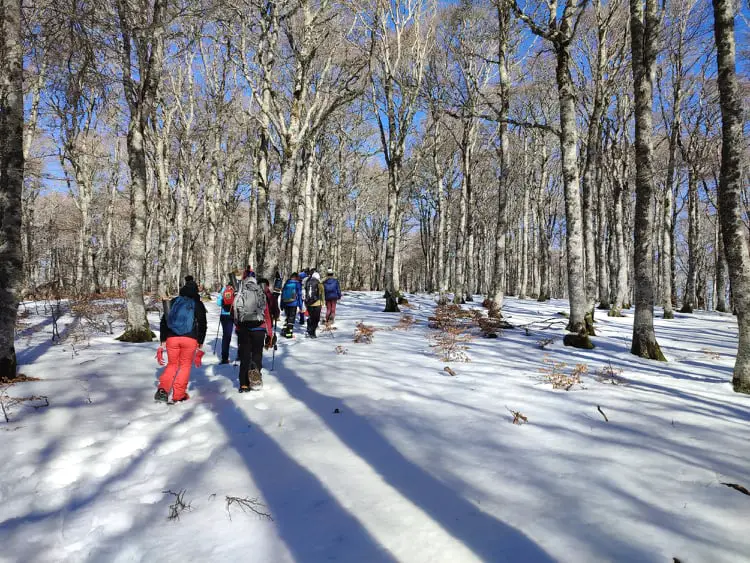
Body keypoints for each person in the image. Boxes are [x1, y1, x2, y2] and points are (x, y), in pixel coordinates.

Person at [155, 276, 207, 402]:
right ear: (196, 292)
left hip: (172, 338)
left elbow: (164, 321)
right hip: (190, 339)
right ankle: (178, 395)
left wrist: (163, 340)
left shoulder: (174, 302)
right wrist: (200, 342)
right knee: (185, 366)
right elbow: (203, 324)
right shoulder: (197, 304)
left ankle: (163, 390)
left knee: (172, 364)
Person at [234, 270, 274, 391]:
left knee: (245, 356)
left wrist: (238, 327)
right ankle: (255, 379)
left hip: (244, 329)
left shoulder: (240, 292)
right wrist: (269, 333)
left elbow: (235, 312)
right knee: (257, 354)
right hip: (259, 329)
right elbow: (266, 314)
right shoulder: (260, 292)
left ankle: (244, 384)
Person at [216, 274, 237, 364]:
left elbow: (218, 302)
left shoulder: (224, 290)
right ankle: (240, 354)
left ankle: (225, 358)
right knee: (240, 334)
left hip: (225, 315)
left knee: (226, 336)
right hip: (235, 314)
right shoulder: (236, 290)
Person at [280, 272, 303, 338]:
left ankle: (284, 330)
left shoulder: (286, 283)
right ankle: (289, 334)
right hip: (293, 303)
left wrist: (281, 304)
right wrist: (301, 306)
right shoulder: (297, 284)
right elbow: (299, 295)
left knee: (287, 317)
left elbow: (282, 294)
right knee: (291, 319)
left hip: (286, 303)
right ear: (296, 277)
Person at [305, 271, 325, 338]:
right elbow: (322, 294)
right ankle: (312, 332)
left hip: (308, 303)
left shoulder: (307, 282)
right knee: (316, 319)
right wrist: (323, 302)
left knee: (311, 317)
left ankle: (309, 326)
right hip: (317, 303)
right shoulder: (319, 284)